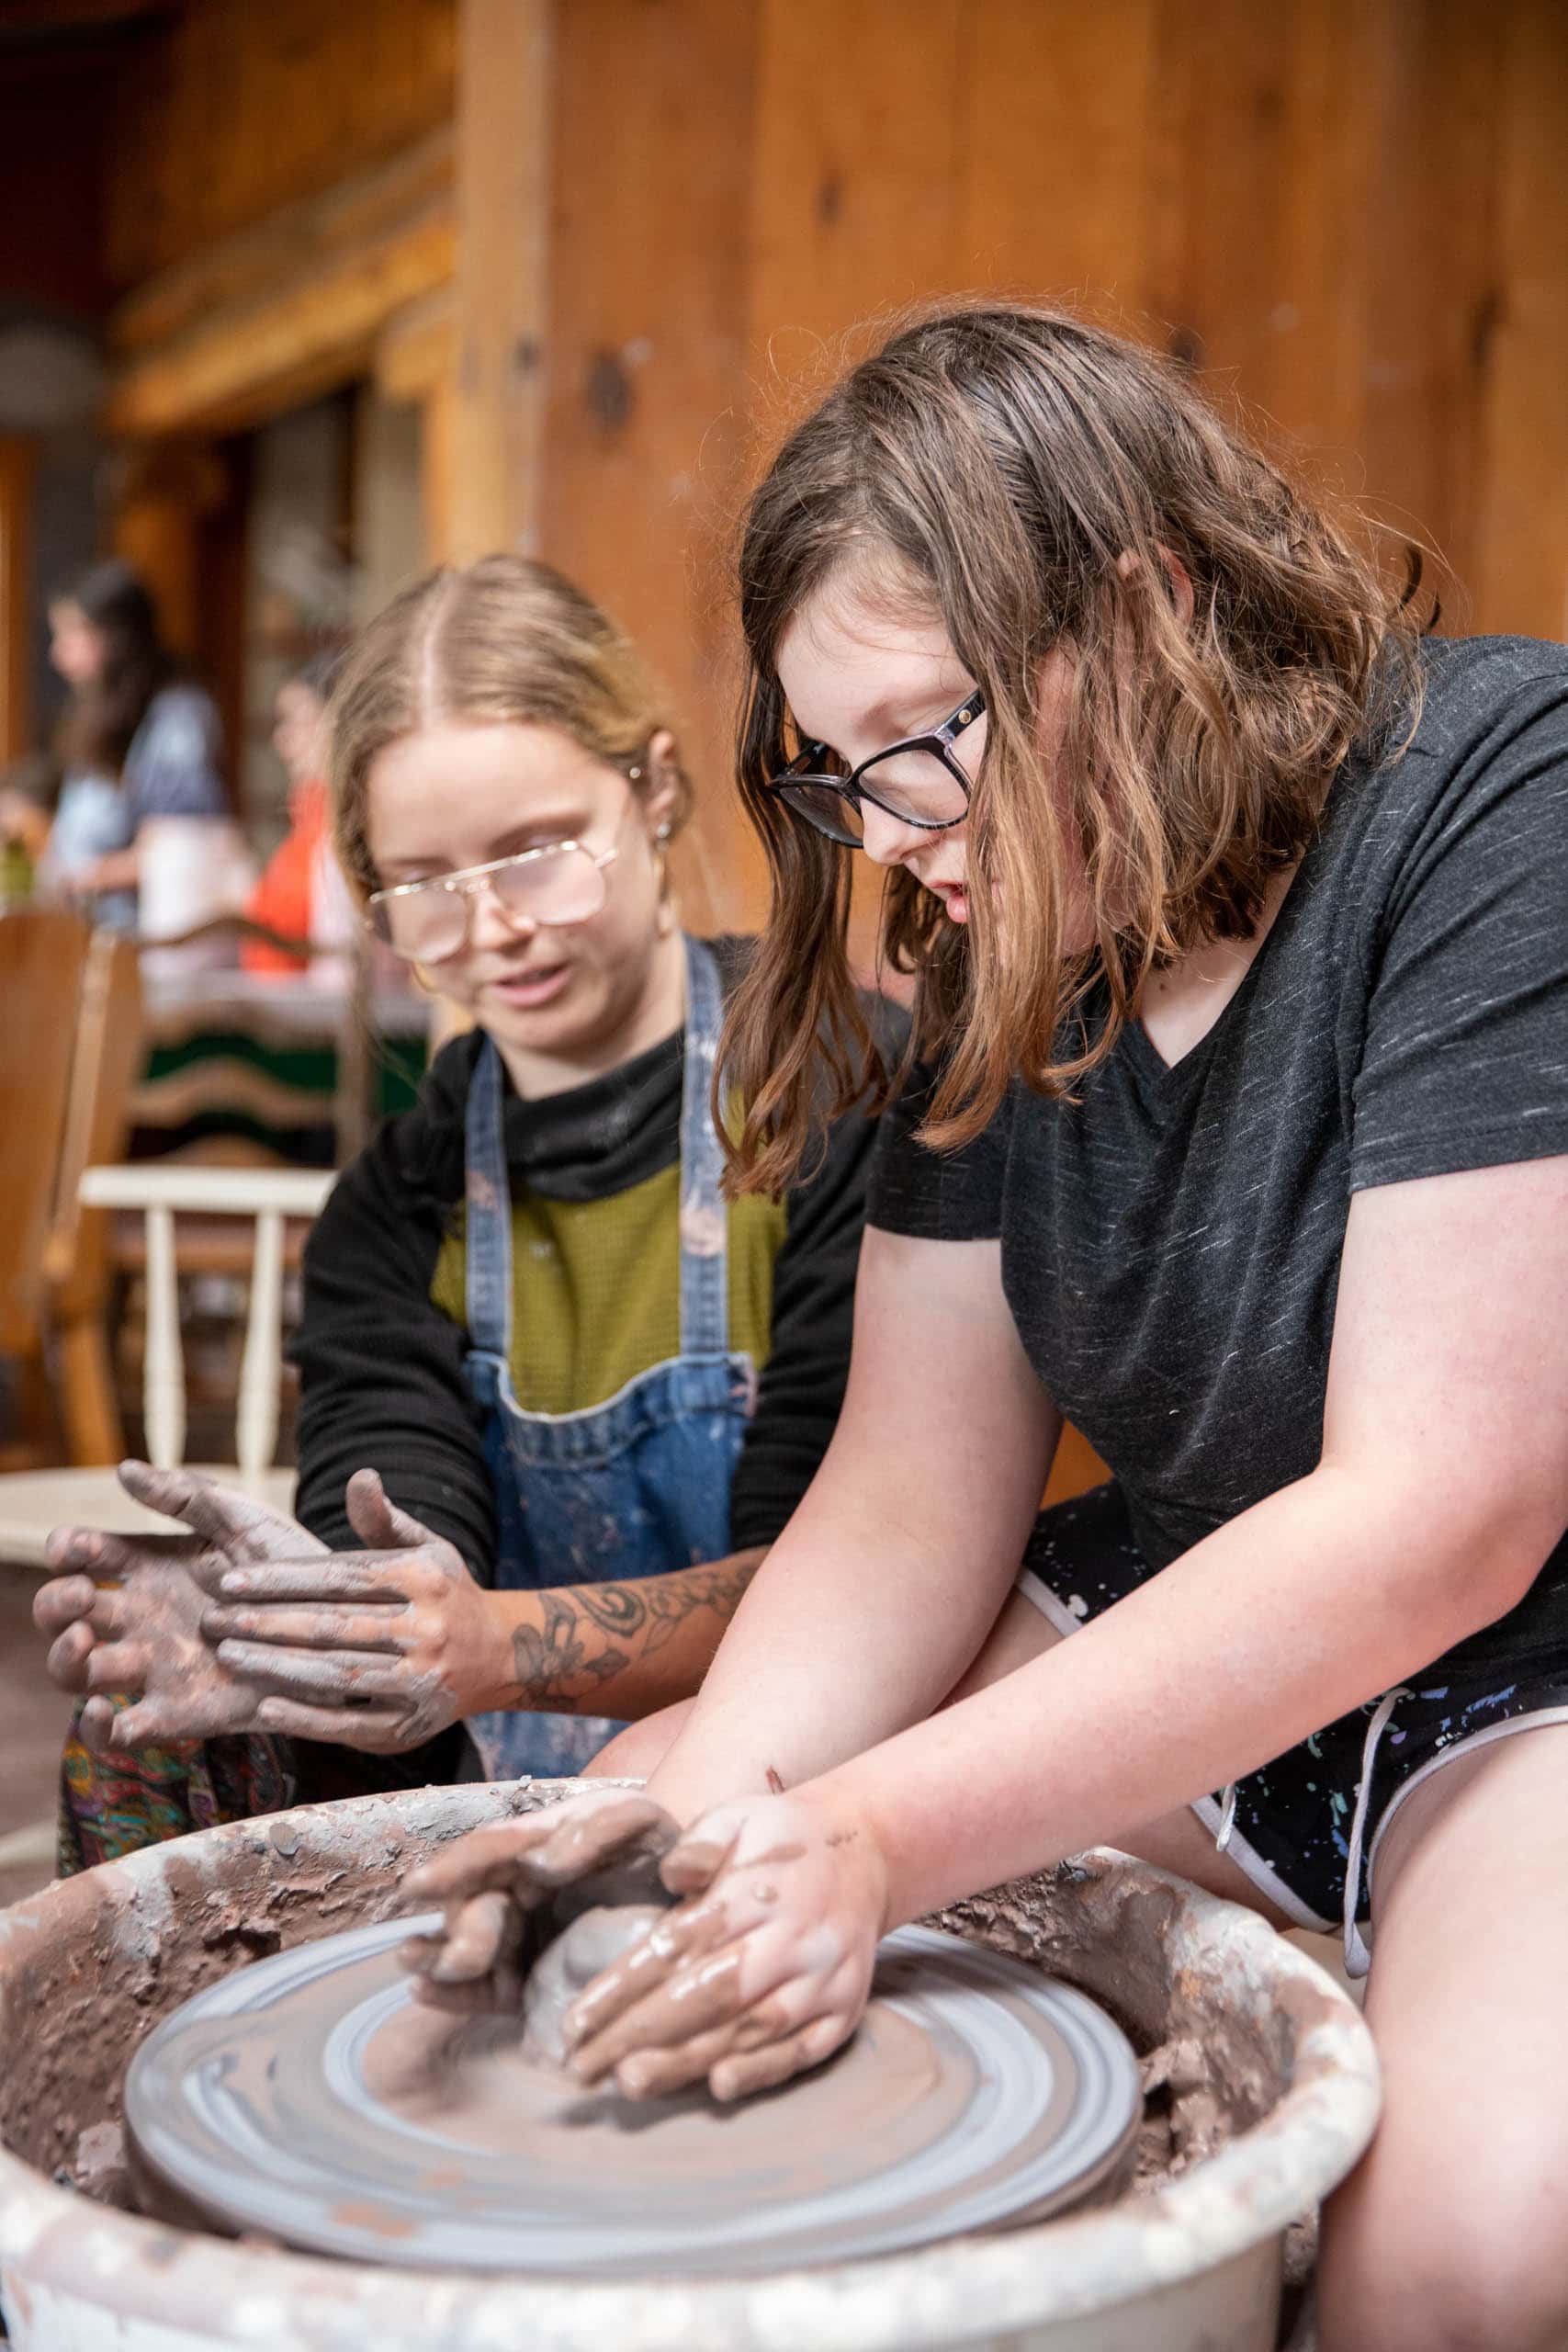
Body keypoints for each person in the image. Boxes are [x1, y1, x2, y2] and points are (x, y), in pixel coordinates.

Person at [398, 311, 1568, 2352]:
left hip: (1522, 1658)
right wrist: (729, 1821)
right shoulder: (992, 904)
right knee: (651, 1831)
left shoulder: (1502, 794)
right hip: (1207, 1592)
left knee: (1468, 2258)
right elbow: (913, 1487)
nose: (904, 839)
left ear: (1146, 609)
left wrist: (870, 1832)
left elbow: (1437, 1515)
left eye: (927, 736)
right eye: (843, 779)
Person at [35, 555, 899, 1863]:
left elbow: (858, 1580)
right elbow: (397, 1531)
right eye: (424, 885)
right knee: (139, 1737)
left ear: (653, 790)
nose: (491, 927)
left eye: (536, 853)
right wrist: (304, 1617)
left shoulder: (834, 1091)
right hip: (481, 1747)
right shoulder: (394, 1206)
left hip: (827, 1733)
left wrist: (494, 1642)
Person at [39, 559, 226, 928]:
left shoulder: (177, 716)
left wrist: (85, 878)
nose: (59, 655)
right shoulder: (98, 717)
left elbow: (182, 846)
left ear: (117, 636)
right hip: (85, 930)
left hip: (142, 942)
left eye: (73, 634)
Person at [241, 650, 357, 976]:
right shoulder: (308, 822)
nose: (282, 740)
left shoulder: (350, 829)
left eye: (297, 721)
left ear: (340, 721)